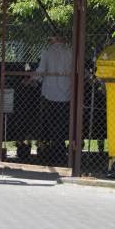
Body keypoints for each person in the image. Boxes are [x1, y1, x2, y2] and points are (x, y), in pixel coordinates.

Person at [30, 35, 72, 165]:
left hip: (50, 94)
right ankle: (60, 152)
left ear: (54, 40)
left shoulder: (47, 52)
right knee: (61, 124)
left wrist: (32, 78)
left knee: (50, 124)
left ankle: (51, 152)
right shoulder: (70, 52)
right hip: (66, 94)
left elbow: (41, 70)